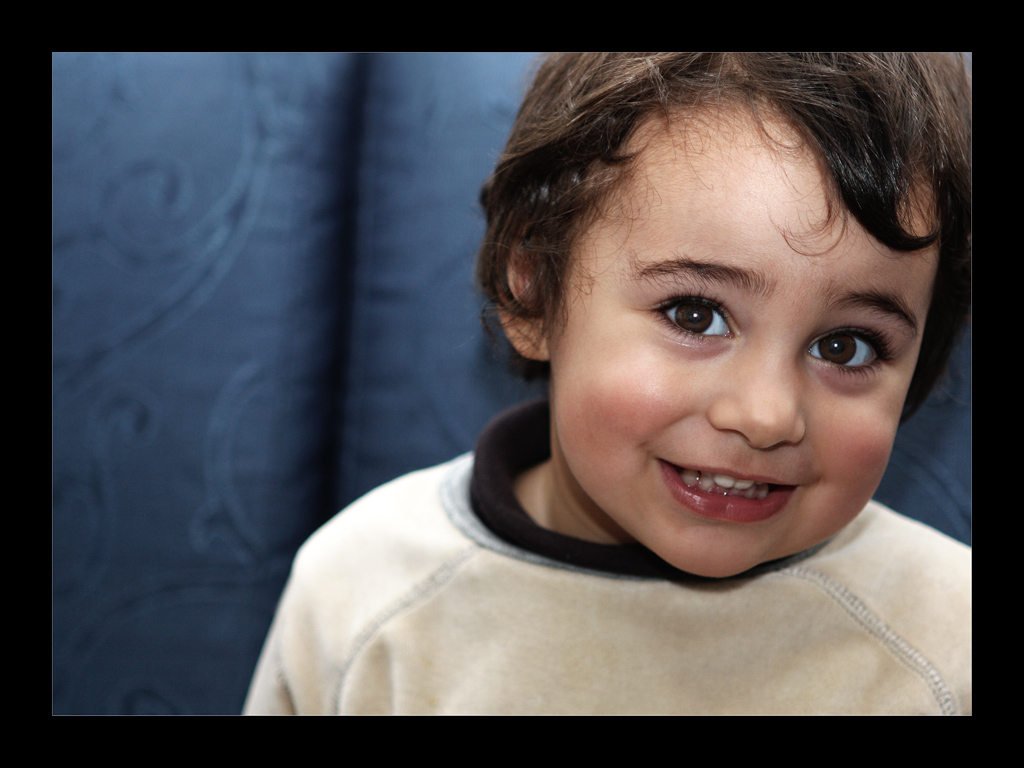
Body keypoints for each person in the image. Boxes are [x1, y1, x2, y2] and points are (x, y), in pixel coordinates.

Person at [244, 53, 971, 715]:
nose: (766, 415)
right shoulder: (363, 593)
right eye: (695, 314)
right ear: (533, 288)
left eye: (845, 347)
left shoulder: (947, 640)